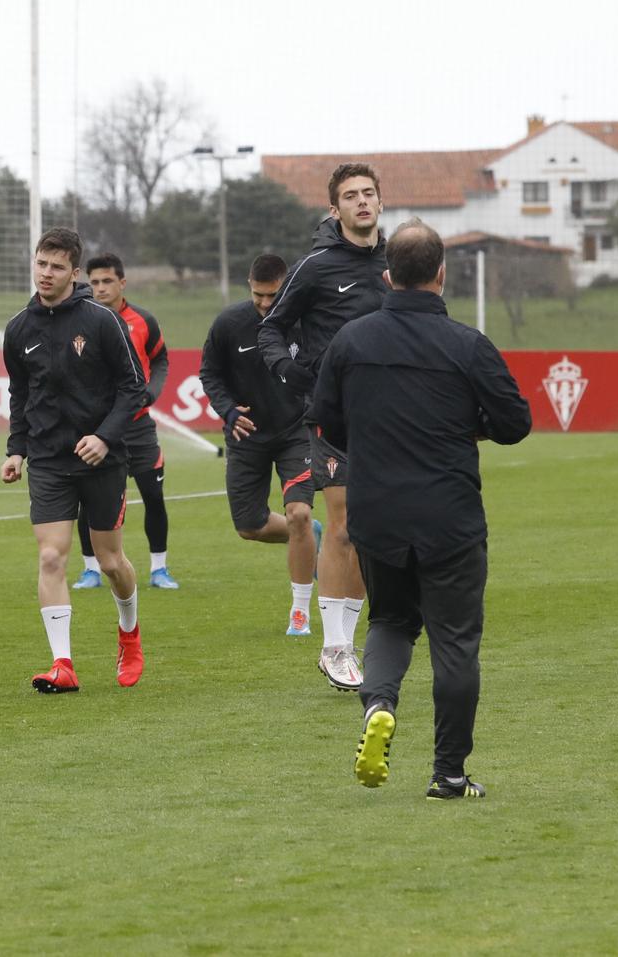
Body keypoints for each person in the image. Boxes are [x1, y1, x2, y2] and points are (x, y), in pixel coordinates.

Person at [312, 219, 530, 800]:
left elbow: (328, 422)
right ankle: (449, 774)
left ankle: (379, 704)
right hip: (448, 514)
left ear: (388, 276)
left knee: (389, 622)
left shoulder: (351, 341)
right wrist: (466, 426)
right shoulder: (468, 344)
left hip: (377, 511)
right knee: (454, 642)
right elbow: (515, 424)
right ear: (441, 274)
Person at [0, 228, 149, 693]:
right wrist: (16, 449)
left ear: (75, 273)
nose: (46, 274)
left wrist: (104, 438)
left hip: (102, 462)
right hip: (47, 459)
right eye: (41, 264)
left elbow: (134, 388)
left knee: (109, 561)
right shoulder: (18, 328)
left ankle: (129, 633)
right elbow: (20, 395)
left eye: (57, 266)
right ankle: (62, 664)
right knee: (50, 557)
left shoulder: (102, 321)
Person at [258, 162, 386, 689]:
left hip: (391, 418)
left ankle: (347, 646)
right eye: (351, 195)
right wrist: (293, 374)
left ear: (381, 202)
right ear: (335, 209)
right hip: (334, 416)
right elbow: (272, 330)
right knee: (344, 525)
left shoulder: (396, 261)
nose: (362, 202)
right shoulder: (314, 267)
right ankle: (335, 647)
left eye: (369, 193)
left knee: (373, 534)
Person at [199, 254, 322, 634]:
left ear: (288, 287)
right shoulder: (229, 323)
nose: (266, 304)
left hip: (296, 431)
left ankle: (299, 613)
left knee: (298, 513)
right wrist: (227, 411)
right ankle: (310, 534)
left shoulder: (307, 321)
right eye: (258, 296)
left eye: (273, 295)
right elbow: (210, 373)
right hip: (246, 435)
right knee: (249, 526)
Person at [79, 255, 177, 588]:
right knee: (88, 500)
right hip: (96, 428)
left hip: (136, 426)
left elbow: (161, 358)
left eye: (107, 281)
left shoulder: (143, 320)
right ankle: (90, 569)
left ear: (122, 283)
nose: (100, 288)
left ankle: (159, 569)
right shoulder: (82, 320)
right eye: (94, 282)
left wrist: (152, 391)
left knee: (153, 494)